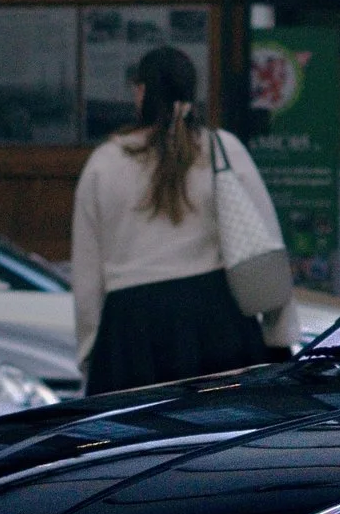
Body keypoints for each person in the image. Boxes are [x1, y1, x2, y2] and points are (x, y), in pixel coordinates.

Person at [71, 46, 286, 394]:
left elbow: (87, 275)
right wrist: (279, 334)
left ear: (140, 92)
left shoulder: (104, 163)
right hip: (218, 321)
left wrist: (90, 353)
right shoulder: (221, 148)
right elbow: (267, 242)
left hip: (131, 331)